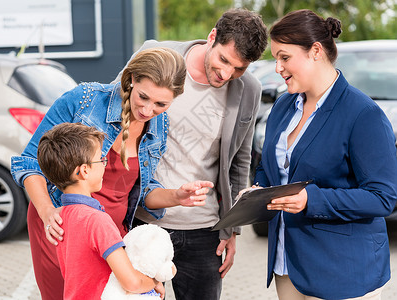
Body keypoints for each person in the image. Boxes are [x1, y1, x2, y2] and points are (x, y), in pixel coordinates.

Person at [11, 47, 214, 300]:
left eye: (161, 104)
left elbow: (142, 189)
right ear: (131, 79)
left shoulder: (160, 124)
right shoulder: (85, 99)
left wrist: (176, 196)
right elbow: (29, 162)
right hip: (62, 227)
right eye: (143, 97)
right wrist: (47, 212)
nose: (148, 110)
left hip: (110, 232)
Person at [114, 8, 268, 300]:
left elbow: (239, 163)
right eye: (223, 60)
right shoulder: (156, 54)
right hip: (143, 222)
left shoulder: (249, 89)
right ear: (212, 37)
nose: (227, 74)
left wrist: (232, 229)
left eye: (239, 68)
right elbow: (111, 114)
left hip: (204, 231)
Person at [254, 9, 397, 300]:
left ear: (315, 51)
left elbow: (383, 197)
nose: (278, 67)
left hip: (343, 272)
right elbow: (270, 168)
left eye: (284, 57)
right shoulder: (283, 107)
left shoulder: (363, 114)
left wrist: (312, 199)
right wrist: (257, 191)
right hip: (287, 266)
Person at [36, 122, 164, 299]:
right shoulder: (97, 220)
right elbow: (132, 282)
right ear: (84, 171)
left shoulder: (60, 216)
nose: (105, 165)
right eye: (101, 159)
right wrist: (154, 283)